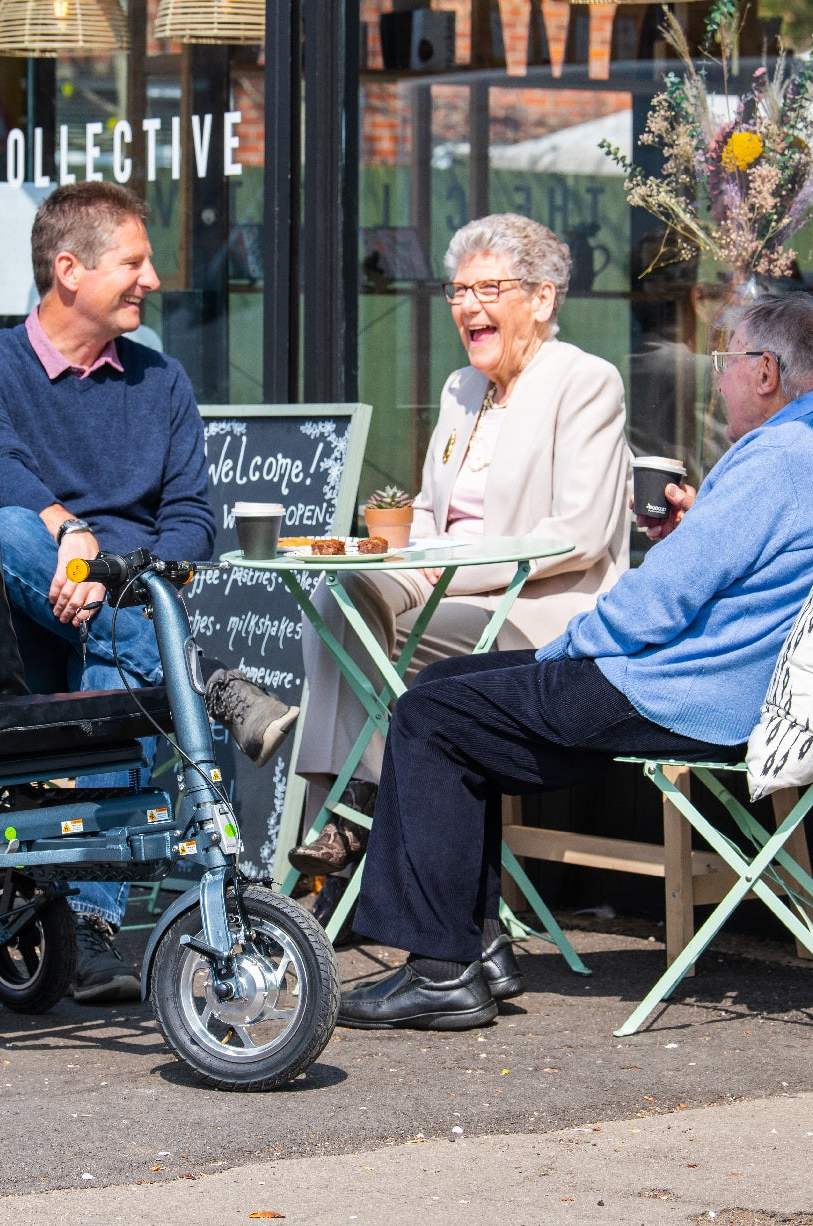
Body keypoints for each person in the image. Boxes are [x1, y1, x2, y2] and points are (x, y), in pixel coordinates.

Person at [337, 292, 813, 1031]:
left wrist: (559, 650)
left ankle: (442, 970)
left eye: (727, 362)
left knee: (430, 710)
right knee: (453, 689)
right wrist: (696, 526)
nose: (718, 381)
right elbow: (755, 565)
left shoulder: (778, 456)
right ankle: (473, 949)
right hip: (752, 689)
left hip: (695, 694)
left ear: (766, 370)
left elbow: (658, 605)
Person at [0, 181, 295, 1004]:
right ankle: (205, 681)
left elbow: (189, 521)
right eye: (134, 262)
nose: (153, 280)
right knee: (8, 527)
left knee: (115, 668)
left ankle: (95, 935)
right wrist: (71, 538)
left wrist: (111, 578)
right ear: (69, 269)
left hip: (122, 605)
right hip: (20, 617)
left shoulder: (162, 381)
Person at [289, 214, 631, 931]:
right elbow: (433, 518)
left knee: (376, 648)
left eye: (488, 288)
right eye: (457, 290)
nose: (468, 306)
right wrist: (373, 547)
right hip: (447, 587)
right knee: (337, 595)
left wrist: (440, 566)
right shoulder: (460, 390)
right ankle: (347, 805)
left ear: (541, 298)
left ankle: (355, 822)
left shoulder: (585, 383)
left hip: (538, 609)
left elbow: (579, 536)